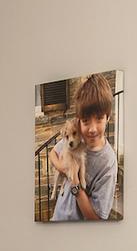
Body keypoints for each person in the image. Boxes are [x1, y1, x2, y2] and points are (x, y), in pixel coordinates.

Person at [50, 74, 118, 221]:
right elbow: (52, 153)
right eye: (86, 121)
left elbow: (97, 218)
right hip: (56, 219)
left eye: (99, 118)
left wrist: (75, 184)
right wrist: (64, 167)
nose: (92, 129)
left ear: (108, 117)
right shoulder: (76, 138)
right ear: (78, 121)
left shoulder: (108, 162)